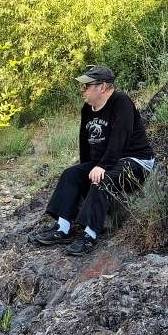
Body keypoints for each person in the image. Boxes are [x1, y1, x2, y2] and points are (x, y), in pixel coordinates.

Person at [30, 65, 155, 256]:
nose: (82, 90)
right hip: (107, 161)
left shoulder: (121, 102)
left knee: (101, 179)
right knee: (71, 174)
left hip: (135, 160)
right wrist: (85, 174)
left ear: (102, 87)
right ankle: (62, 229)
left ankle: (90, 235)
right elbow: (85, 146)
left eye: (86, 86)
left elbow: (119, 141)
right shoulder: (87, 109)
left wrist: (101, 167)